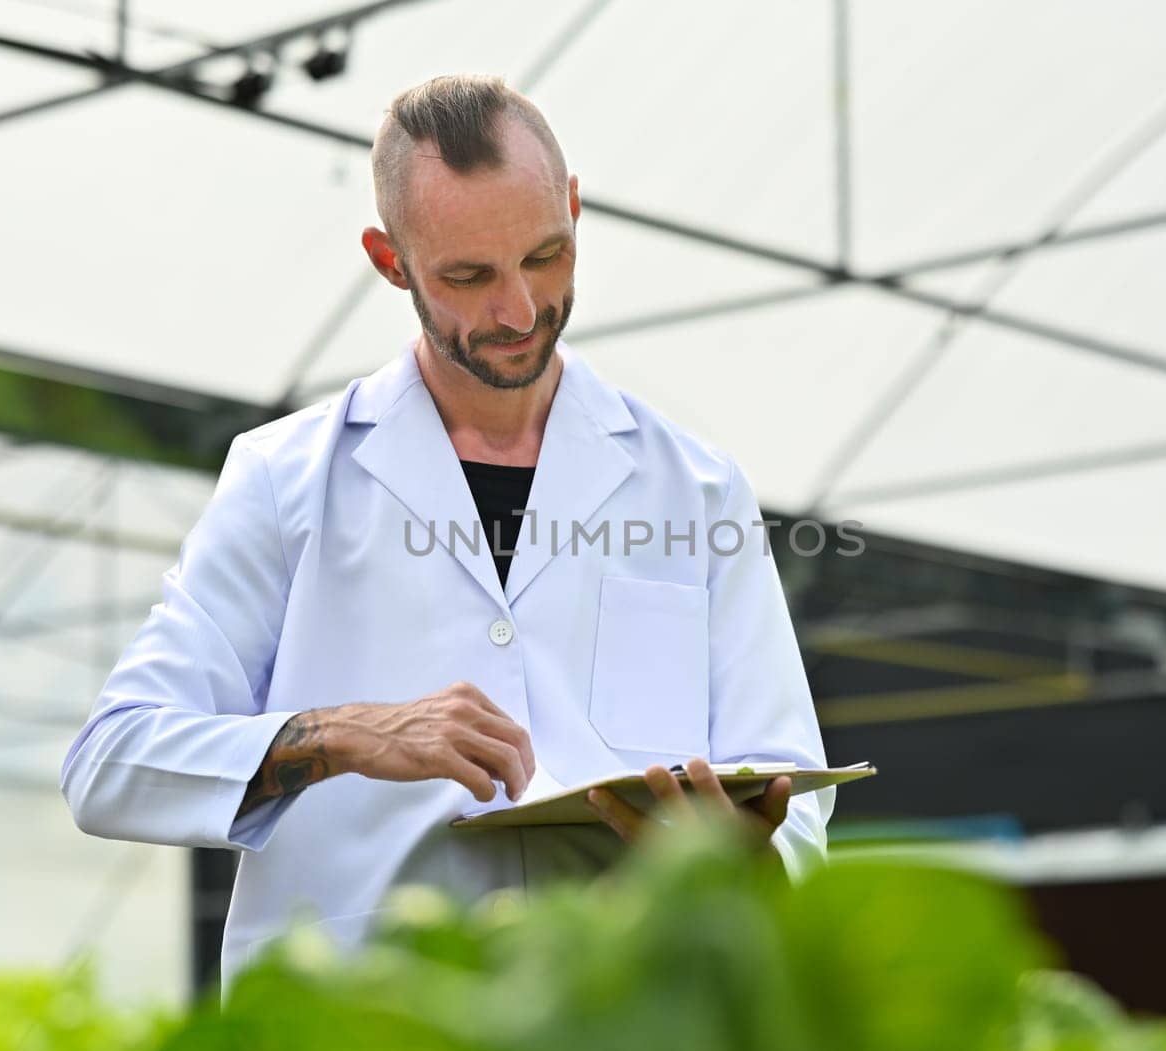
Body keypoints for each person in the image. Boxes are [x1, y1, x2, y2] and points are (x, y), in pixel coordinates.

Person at [60, 73, 833, 989]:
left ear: (575, 207)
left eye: (546, 255)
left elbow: (795, 799)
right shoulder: (284, 478)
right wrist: (344, 732)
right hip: (362, 1021)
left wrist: (743, 851)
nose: (517, 309)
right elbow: (110, 762)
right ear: (390, 261)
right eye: (468, 275)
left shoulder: (698, 489)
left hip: (620, 1015)